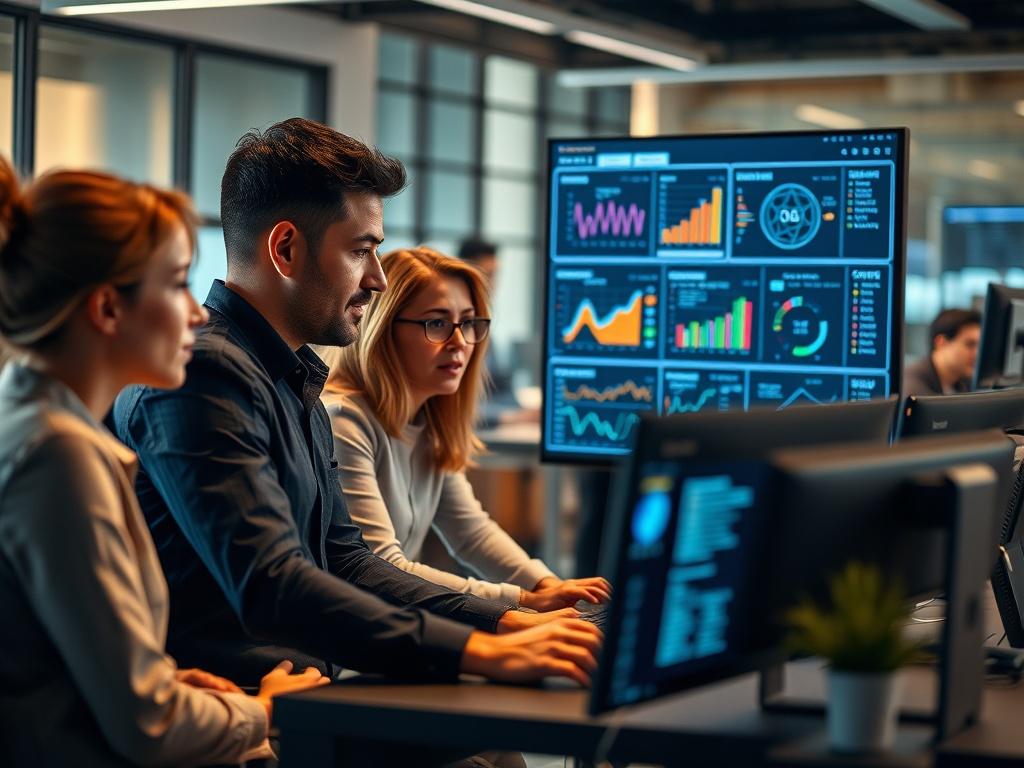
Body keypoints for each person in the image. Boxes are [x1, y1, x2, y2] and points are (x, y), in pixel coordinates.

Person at [111, 119, 601, 698]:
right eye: (362, 251)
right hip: (239, 707)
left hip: (306, 691)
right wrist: (484, 650)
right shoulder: (206, 375)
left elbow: (348, 559)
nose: (375, 278)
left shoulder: (292, 378)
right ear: (286, 248)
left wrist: (508, 622)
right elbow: (272, 584)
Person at [0, 158, 329, 767]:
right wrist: (266, 710)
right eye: (178, 283)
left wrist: (174, 684)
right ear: (107, 309)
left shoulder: (35, 420)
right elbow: (146, 723)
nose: (199, 312)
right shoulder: (59, 456)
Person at [321, 246, 611, 609]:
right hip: (338, 651)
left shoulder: (427, 421)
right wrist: (520, 600)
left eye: (469, 323)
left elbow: (471, 532)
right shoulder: (343, 421)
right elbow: (383, 567)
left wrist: (547, 586)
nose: (460, 342)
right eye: (437, 323)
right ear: (382, 330)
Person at [903, 308, 981, 396]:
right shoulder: (912, 385)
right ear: (941, 343)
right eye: (970, 344)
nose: (977, 353)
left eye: (979, 346)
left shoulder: (965, 383)